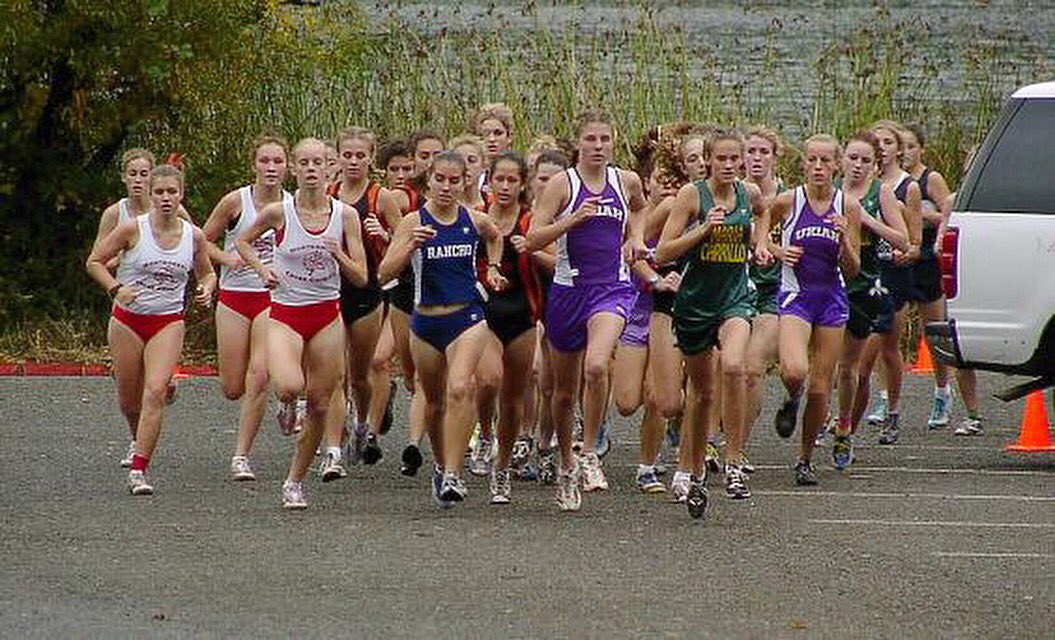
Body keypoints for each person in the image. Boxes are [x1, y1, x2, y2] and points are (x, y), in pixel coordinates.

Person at [236, 137, 368, 510]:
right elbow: (243, 242)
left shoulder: (345, 216)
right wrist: (263, 270)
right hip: (285, 314)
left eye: (319, 163)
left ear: (331, 169)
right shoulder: (280, 212)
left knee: (322, 404)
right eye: (305, 163)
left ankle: (294, 481)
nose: (312, 170)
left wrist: (338, 253)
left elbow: (360, 277)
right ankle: (285, 403)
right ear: (294, 169)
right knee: (290, 385)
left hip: (326, 314)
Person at [528, 108, 649, 511]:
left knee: (597, 365)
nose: (598, 147)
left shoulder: (624, 180)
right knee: (562, 394)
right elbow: (532, 239)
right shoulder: (563, 185)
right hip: (568, 290)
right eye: (591, 139)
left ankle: (591, 449)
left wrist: (635, 236)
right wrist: (572, 220)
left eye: (605, 139)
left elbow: (640, 207)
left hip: (611, 289)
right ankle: (565, 462)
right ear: (577, 143)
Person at [378, 151, 506, 507]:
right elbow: (384, 274)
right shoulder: (412, 222)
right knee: (433, 402)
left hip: (467, 317)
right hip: (425, 321)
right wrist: (408, 247)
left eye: (455, 180)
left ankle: (454, 473)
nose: (447, 187)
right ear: (429, 180)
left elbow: (496, 236)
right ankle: (439, 464)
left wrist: (492, 268)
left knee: (461, 387)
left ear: (465, 181)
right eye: (440, 180)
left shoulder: (473, 220)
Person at [656, 128, 771, 517]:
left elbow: (765, 210)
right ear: (708, 160)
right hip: (694, 304)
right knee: (702, 395)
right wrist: (703, 229)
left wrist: (760, 242)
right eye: (719, 159)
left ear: (740, 161)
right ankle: (689, 466)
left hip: (735, 298)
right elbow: (662, 252)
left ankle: (735, 461)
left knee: (735, 364)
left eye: (733, 159)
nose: (727, 165)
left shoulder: (748, 193)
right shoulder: (692, 196)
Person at [86, 164, 216, 495]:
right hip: (128, 320)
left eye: (172, 192)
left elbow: (207, 273)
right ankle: (136, 436)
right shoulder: (132, 228)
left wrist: (206, 289)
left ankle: (140, 469)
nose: (165, 198)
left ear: (181, 195)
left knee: (155, 391)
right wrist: (116, 289)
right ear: (151, 195)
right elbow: (94, 261)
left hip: (168, 322)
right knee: (130, 401)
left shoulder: (193, 236)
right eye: (159, 192)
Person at [766, 134, 862, 486]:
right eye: (812, 161)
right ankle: (792, 397)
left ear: (837, 165)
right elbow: (759, 230)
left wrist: (843, 240)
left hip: (831, 297)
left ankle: (804, 459)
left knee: (822, 388)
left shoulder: (847, 206)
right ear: (803, 163)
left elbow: (853, 269)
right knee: (793, 370)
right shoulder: (789, 201)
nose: (819, 168)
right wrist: (775, 251)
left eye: (825, 161)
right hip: (796, 294)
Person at [201, 133, 291, 481]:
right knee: (232, 387)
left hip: (273, 299)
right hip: (235, 297)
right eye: (265, 161)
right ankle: (283, 399)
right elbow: (201, 240)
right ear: (254, 164)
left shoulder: (291, 206)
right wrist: (226, 258)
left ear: (287, 168)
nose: (271, 168)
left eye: (278, 162)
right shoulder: (235, 202)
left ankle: (241, 456)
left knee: (259, 376)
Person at [324, 127, 404, 477]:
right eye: (348, 155)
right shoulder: (327, 194)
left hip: (369, 292)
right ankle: (333, 450)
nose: (354, 161)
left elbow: (405, 243)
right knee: (335, 374)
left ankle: (361, 423)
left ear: (371, 158)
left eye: (361, 156)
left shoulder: (380, 198)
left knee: (359, 376)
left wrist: (383, 235)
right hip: (329, 291)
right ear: (338, 157)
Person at [472, 152, 545, 504]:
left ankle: (501, 469)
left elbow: (557, 262)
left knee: (514, 397)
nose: (504, 186)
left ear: (522, 184)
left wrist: (530, 249)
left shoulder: (531, 220)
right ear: (489, 181)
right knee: (488, 379)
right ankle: (484, 433)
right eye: (498, 179)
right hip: (482, 314)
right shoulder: (476, 218)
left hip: (521, 314)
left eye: (511, 180)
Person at [833, 131, 909, 469]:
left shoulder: (884, 194)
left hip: (868, 284)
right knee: (825, 364)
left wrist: (867, 221)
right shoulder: (829, 193)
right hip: (830, 281)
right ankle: (824, 415)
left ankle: (846, 426)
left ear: (876, 165)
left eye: (866, 160)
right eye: (853, 158)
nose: (858, 166)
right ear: (842, 161)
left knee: (858, 369)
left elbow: (903, 240)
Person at [856, 121, 922, 445]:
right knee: (859, 359)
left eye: (887, 141)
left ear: (897, 148)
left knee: (888, 347)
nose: (881, 147)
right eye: (876, 142)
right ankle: (846, 417)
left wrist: (907, 252)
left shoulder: (905, 188)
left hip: (892, 274)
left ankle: (892, 410)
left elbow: (915, 241)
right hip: (863, 272)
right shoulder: (856, 187)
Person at [742, 126, 786, 471]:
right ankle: (711, 438)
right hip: (735, 288)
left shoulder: (788, 198)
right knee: (726, 369)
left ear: (775, 156)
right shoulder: (733, 194)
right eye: (751, 152)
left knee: (753, 369)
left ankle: (736, 449)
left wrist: (775, 250)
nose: (756, 159)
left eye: (763, 152)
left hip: (774, 291)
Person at [525, 149, 568, 485]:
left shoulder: (572, 219)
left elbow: (559, 262)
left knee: (551, 384)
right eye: (543, 179)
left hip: (561, 302)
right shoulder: (524, 218)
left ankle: (544, 442)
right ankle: (523, 438)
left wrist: (532, 249)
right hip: (527, 306)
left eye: (555, 180)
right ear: (532, 181)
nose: (548, 186)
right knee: (531, 371)